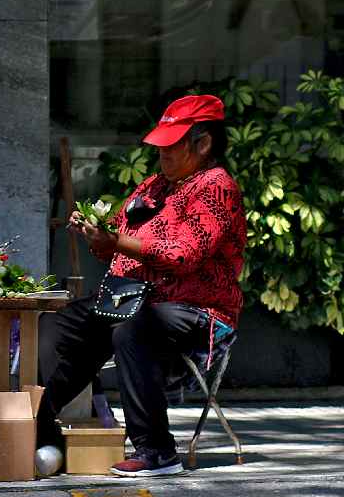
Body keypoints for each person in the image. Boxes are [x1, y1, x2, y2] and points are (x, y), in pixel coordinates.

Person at [37, 94, 247, 477]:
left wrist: (116, 242)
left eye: (172, 147)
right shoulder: (154, 185)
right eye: (160, 148)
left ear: (203, 144)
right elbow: (120, 240)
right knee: (59, 325)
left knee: (132, 326)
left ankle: (156, 451)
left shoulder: (216, 187)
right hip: (131, 298)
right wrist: (98, 236)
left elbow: (184, 254)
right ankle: (36, 428)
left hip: (197, 309)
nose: (162, 156)